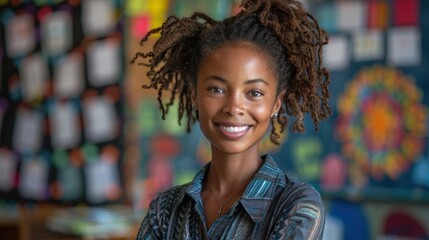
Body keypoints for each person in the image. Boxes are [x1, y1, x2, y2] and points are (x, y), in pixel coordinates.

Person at [132, 0, 331, 239]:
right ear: (195, 95)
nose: (234, 107)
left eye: (254, 93)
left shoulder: (297, 205)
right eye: (216, 89)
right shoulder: (165, 209)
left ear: (276, 103)